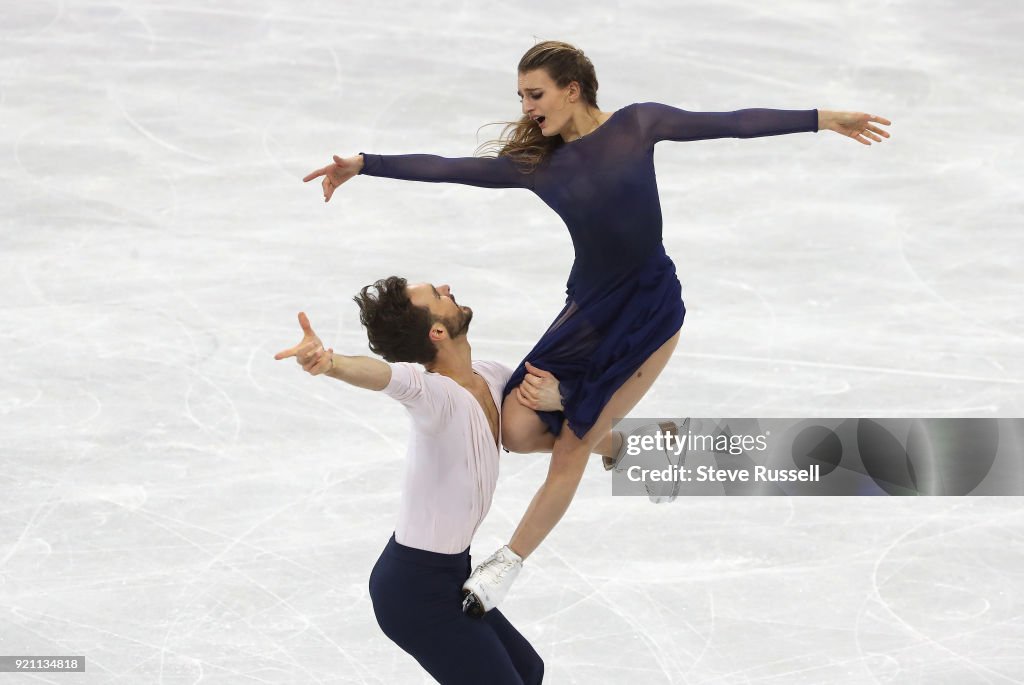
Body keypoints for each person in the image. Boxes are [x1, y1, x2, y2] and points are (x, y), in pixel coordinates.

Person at [302, 40, 892, 613]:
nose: (527, 108)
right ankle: (630, 449)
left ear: (572, 90)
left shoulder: (638, 126)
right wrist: (365, 164)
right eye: (522, 97)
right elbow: (453, 168)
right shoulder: (540, 165)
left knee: (571, 444)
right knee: (516, 424)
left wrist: (822, 119)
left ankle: (505, 565)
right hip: (588, 310)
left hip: (649, 308)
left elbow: (732, 122)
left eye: (535, 94)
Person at [273, 277, 552, 684]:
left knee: (528, 670)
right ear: (437, 332)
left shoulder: (492, 376)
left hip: (451, 574)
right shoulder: (434, 394)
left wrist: (641, 448)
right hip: (413, 592)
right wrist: (330, 363)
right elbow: (383, 376)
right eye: (438, 296)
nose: (446, 287)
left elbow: (560, 430)